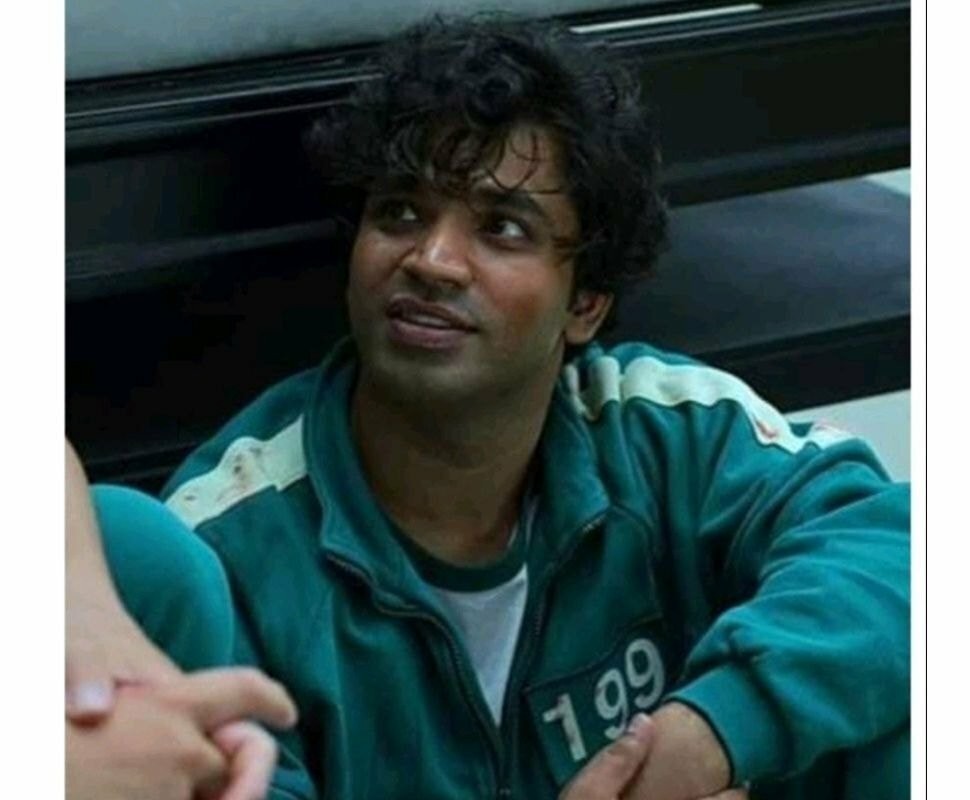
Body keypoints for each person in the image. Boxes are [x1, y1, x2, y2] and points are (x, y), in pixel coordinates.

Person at [65, 14, 911, 800]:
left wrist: (712, 733)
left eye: (502, 228)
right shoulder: (230, 539)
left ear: (586, 303)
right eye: (400, 212)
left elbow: (901, 551)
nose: (432, 260)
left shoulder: (666, 426)